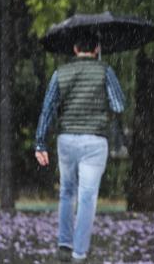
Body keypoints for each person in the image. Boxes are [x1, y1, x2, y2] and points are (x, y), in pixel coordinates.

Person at [34, 39, 126, 263]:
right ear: (96, 49)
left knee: (67, 191)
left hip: (66, 141)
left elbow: (48, 109)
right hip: (94, 142)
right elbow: (119, 105)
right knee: (87, 196)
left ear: (75, 48)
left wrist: (40, 144)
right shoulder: (104, 70)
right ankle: (79, 252)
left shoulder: (61, 73)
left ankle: (64, 243)